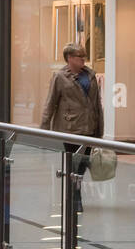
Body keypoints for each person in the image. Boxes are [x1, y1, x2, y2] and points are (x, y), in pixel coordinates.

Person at [40, 42, 103, 213]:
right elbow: (50, 102)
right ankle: (75, 196)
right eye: (79, 57)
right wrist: (44, 127)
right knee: (74, 163)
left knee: (82, 164)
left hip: (89, 127)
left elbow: (97, 104)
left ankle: (75, 191)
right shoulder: (60, 77)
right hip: (70, 127)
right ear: (69, 59)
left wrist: (100, 130)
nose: (83, 60)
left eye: (84, 57)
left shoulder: (90, 75)